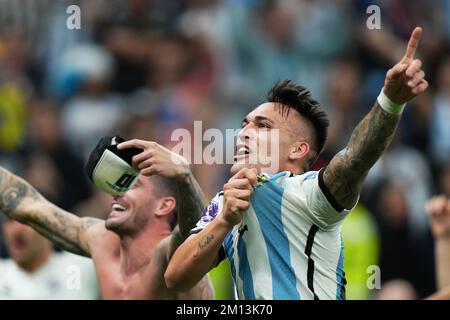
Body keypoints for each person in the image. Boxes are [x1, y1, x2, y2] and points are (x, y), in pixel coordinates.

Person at [165, 27, 428, 300]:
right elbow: (176, 278)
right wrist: (224, 221)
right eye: (245, 124)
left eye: (263, 126)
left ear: (298, 149)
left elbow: (354, 159)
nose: (244, 132)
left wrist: (390, 102)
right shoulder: (226, 201)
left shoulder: (309, 192)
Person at [0, 140, 213, 299]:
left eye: (131, 185)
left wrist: (185, 177)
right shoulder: (101, 241)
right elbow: (26, 205)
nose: (117, 193)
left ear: (164, 205)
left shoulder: (168, 256)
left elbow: (195, 237)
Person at [0, 218, 99, 299]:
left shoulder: (80, 267)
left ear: (50, 228)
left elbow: (107, 236)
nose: (16, 229)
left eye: (27, 221)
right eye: (10, 220)